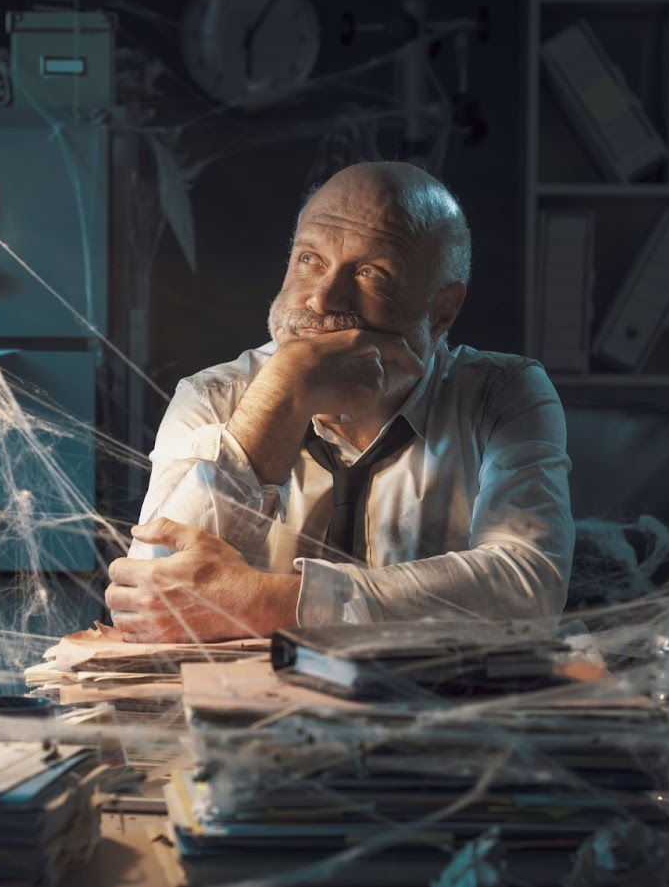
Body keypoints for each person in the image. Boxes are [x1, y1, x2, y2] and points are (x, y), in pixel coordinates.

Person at [106, 161, 573, 643]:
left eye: (372, 273)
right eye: (310, 260)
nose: (323, 300)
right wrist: (282, 394)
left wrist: (265, 602)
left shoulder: (502, 394)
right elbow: (153, 598)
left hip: (435, 707)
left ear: (441, 311)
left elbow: (528, 588)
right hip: (248, 707)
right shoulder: (213, 397)